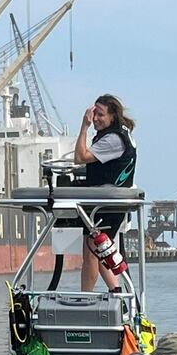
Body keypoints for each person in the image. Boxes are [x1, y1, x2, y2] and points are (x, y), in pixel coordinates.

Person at [73, 94, 137, 292]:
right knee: (102, 251)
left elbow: (80, 157)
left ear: (112, 116)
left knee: (91, 252)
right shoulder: (120, 134)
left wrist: (84, 126)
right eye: (94, 114)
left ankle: (86, 299)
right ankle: (117, 293)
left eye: (100, 115)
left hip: (107, 202)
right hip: (108, 201)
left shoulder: (113, 139)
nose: (95, 119)